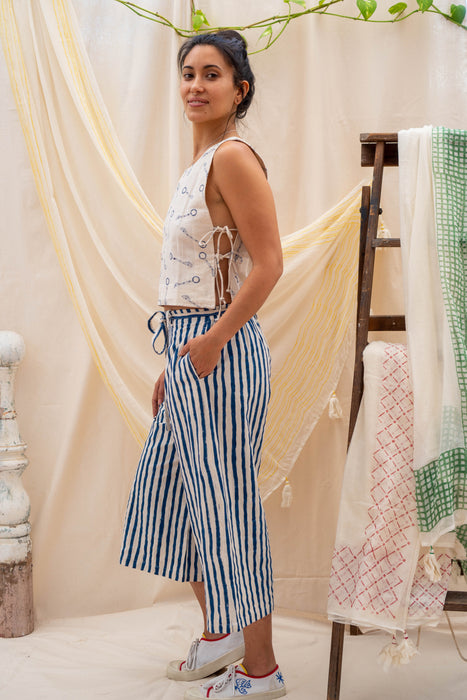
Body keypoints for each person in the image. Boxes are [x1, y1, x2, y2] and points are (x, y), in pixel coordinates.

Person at [120, 30, 285, 699]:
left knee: (225, 510)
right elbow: (197, 272)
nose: (195, 85)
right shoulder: (201, 162)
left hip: (221, 351)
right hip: (191, 350)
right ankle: (221, 634)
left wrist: (212, 341)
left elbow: (269, 265)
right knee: (171, 497)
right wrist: (177, 360)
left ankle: (262, 669)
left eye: (211, 74)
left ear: (239, 89)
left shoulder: (234, 158)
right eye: (188, 73)